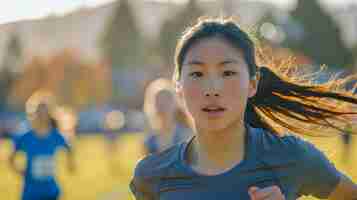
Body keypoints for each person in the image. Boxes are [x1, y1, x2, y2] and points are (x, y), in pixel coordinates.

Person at [129, 17, 357, 200]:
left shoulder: (292, 157)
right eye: (197, 74)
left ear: (253, 84)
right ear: (178, 86)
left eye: (228, 73)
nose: (212, 89)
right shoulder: (151, 176)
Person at [9, 97, 75, 200]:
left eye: (44, 113)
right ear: (32, 114)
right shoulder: (25, 136)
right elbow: (11, 158)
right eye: (38, 112)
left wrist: (70, 163)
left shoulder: (55, 135)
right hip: (31, 192)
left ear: (49, 115)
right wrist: (20, 171)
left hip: (51, 191)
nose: (41, 116)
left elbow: (68, 148)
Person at [143, 78, 192, 154]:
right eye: (158, 100)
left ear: (175, 103)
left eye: (166, 99)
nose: (162, 104)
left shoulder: (187, 135)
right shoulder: (149, 140)